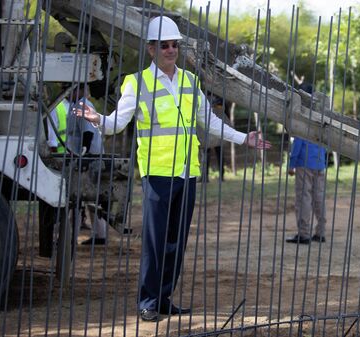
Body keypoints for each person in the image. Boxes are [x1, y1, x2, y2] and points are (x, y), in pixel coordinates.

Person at [75, 16, 270, 322]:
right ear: (151, 50)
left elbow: (210, 122)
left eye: (174, 45)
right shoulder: (137, 83)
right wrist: (98, 119)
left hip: (187, 172)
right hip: (157, 175)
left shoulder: (191, 82)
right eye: (163, 45)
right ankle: (148, 301)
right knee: (156, 242)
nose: (170, 50)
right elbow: (117, 123)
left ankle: (164, 298)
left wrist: (245, 138)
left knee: (176, 242)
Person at [47, 86, 108, 245]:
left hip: (87, 159)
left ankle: (72, 238)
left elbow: (87, 132)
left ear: (79, 90)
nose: (68, 94)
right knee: (83, 199)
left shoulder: (83, 105)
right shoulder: (75, 106)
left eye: (71, 90)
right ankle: (95, 235)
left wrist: (84, 155)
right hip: (81, 157)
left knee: (79, 199)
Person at [286, 83, 327, 244]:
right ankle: (321, 232)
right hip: (320, 162)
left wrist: (291, 164)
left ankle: (303, 233)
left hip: (304, 161)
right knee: (319, 196)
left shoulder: (303, 114)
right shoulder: (321, 114)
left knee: (304, 197)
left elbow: (299, 141)